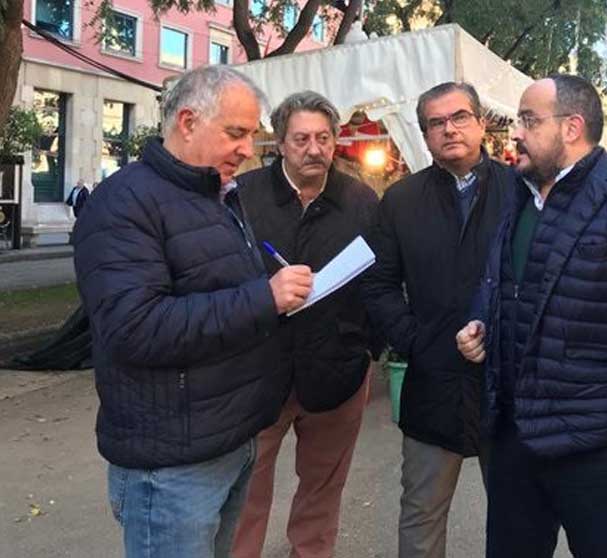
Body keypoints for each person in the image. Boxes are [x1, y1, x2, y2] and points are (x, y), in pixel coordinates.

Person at [71, 65, 314, 558]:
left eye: (251, 134)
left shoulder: (217, 195)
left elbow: (214, 290)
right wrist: (262, 298)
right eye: (236, 133)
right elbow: (134, 329)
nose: (248, 149)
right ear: (187, 121)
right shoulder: (123, 204)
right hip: (171, 466)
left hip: (229, 440)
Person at [455, 74, 607, 558]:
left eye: (528, 120)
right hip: (513, 441)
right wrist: (482, 323)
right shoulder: (520, 199)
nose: (515, 133)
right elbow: (503, 285)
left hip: (598, 451)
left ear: (572, 127)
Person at [361, 81, 516, 558]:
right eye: (436, 122)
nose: (449, 129)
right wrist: (415, 340)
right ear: (425, 135)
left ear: (481, 123)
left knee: (518, 517)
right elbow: (378, 284)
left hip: (508, 384)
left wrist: (506, 334)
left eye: (460, 117)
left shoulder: (521, 191)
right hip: (433, 380)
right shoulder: (401, 200)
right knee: (421, 514)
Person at [231, 91, 379, 558]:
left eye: (323, 137)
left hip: (336, 375)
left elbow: (380, 280)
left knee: (321, 495)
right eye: (301, 139)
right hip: (257, 376)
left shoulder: (361, 200)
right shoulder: (243, 197)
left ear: (336, 141)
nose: (314, 149)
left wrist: (367, 348)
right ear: (279, 142)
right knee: (244, 497)